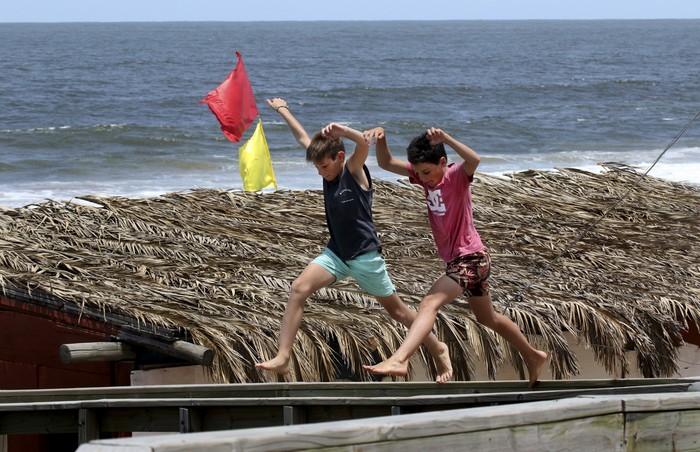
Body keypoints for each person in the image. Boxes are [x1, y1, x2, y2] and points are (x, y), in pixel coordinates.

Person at [254, 99, 453, 383]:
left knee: (397, 311)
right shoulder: (327, 169)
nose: (321, 172)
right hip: (336, 253)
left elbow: (363, 144)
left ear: (339, 157)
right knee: (299, 288)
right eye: (317, 168)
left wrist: (342, 130)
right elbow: (302, 137)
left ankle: (437, 347)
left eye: (324, 166)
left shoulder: (353, 170)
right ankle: (284, 357)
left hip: (364, 255)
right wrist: (282, 109)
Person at [361, 126, 548, 388]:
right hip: (467, 261)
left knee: (428, 304)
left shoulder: (456, 176)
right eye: (420, 174)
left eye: (427, 172)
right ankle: (533, 355)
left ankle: (400, 359)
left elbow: (474, 160)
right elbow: (386, 162)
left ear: (442, 162)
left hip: (470, 259)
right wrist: (382, 137)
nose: (424, 179)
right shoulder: (424, 176)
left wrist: (447, 138)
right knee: (488, 318)